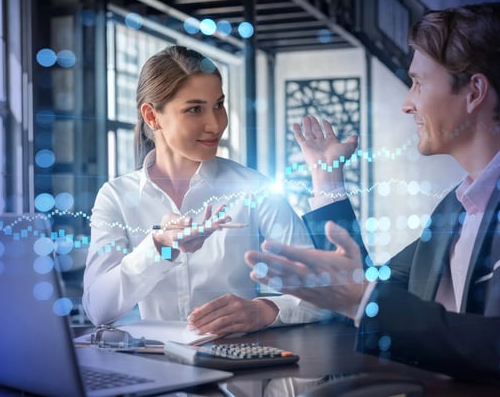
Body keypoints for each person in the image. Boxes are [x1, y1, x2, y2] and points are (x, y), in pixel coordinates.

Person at [245, 2, 500, 396]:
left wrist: (365, 299)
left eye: (418, 83)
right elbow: (369, 286)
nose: (407, 103)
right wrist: (327, 178)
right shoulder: (456, 207)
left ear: (474, 91)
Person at [83, 45, 327, 335]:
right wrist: (158, 246)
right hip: (153, 368)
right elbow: (98, 309)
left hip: (239, 369)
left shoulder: (254, 189)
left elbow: (322, 294)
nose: (216, 124)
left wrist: (262, 310)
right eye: (194, 109)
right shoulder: (116, 197)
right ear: (152, 116)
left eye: (219, 105)